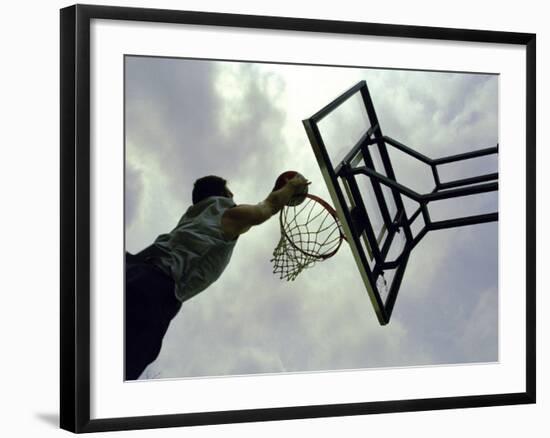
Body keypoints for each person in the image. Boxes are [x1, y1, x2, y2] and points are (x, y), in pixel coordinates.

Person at [125, 173, 309, 380]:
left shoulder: (194, 216)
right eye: (231, 193)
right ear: (225, 195)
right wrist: (292, 186)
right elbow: (267, 208)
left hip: (133, 271)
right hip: (154, 288)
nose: (234, 197)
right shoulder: (226, 214)